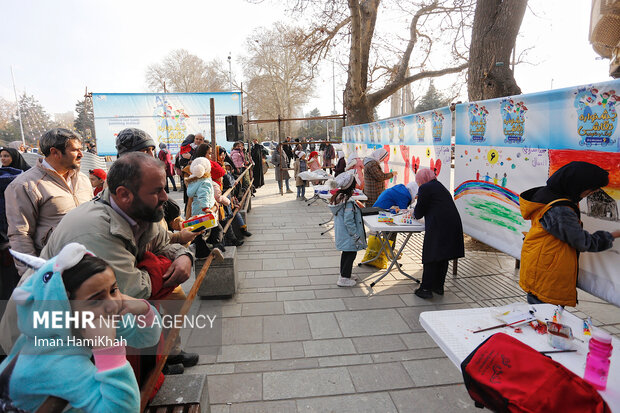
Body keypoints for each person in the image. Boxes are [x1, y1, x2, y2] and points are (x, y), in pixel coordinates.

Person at [0, 153, 195, 365]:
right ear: (124, 195)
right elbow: (132, 291)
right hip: (44, 350)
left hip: (87, 332)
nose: (166, 197)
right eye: (157, 191)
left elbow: (164, 244)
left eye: (164, 188)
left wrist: (183, 255)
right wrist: (165, 265)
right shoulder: (94, 232)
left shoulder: (144, 212)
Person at [0, 243, 161, 412]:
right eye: (96, 299)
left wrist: (144, 310)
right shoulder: (56, 362)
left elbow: (147, 338)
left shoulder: (89, 319)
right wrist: (108, 351)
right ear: (65, 309)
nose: (113, 304)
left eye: (113, 290)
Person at [519, 161, 620, 306]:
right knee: (546, 317)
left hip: (540, 263)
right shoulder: (560, 210)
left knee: (539, 312)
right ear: (576, 185)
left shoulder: (549, 194)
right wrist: (613, 235)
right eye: (591, 190)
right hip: (548, 273)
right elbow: (583, 242)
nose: (590, 194)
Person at [5, 128, 93, 275]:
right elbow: (20, 235)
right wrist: (32, 276)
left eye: (81, 149)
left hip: (88, 264)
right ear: (55, 152)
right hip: (54, 270)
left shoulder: (83, 179)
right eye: (75, 150)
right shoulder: (25, 185)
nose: (81, 154)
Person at [413, 168, 464, 299]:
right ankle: (438, 286)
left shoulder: (425, 188)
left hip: (439, 226)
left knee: (431, 255)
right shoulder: (438, 185)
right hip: (452, 224)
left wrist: (414, 211)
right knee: (443, 256)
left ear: (421, 179)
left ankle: (425, 289)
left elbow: (418, 212)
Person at [328, 171, 367, 287]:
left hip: (344, 234)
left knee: (346, 254)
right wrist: (355, 235)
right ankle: (344, 278)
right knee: (350, 255)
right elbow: (349, 221)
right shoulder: (348, 202)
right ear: (351, 186)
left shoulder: (339, 197)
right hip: (349, 235)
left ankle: (345, 274)